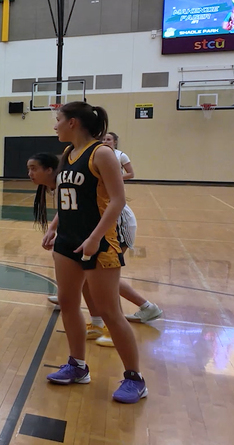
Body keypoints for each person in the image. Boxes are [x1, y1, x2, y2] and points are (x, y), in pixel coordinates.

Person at [37, 101, 146, 404]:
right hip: (67, 240)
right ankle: (77, 366)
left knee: (109, 312)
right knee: (69, 304)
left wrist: (96, 238)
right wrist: (54, 226)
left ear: (73, 122)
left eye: (58, 120)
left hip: (98, 242)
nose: (55, 125)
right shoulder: (68, 154)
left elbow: (117, 200)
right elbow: (68, 198)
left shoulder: (102, 153)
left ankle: (135, 379)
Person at [29, 152, 164, 340]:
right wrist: (53, 229)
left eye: (33, 168)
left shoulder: (68, 178)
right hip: (94, 225)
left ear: (50, 170)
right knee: (85, 273)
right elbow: (67, 209)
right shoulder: (57, 184)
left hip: (117, 223)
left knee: (103, 276)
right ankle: (98, 322)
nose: (29, 173)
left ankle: (127, 320)